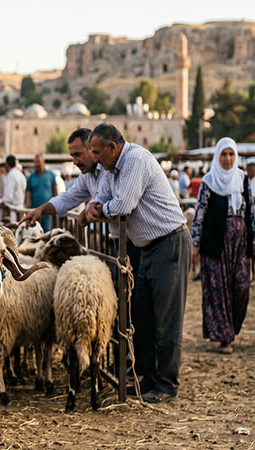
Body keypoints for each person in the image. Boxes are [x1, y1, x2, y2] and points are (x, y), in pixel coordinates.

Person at [85, 123, 190, 403]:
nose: (95, 157)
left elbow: (123, 205)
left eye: (97, 151)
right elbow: (103, 196)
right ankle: (148, 376)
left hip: (169, 242)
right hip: (147, 247)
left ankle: (167, 383)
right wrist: (95, 205)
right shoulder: (111, 169)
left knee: (166, 318)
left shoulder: (136, 160)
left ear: (112, 147)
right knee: (143, 315)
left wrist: (99, 211)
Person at [190, 138, 254, 354]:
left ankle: (232, 328)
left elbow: (251, 214)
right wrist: (195, 245)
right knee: (219, 291)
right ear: (217, 157)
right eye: (223, 155)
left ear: (236, 157)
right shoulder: (209, 182)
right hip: (215, 245)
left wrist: (253, 242)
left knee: (241, 288)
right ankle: (225, 336)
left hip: (240, 243)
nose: (227, 159)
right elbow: (199, 215)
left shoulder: (243, 180)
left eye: (231, 154)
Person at [23, 129, 101, 227]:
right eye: (72, 156)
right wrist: (40, 210)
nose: (75, 162)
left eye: (78, 154)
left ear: (92, 149)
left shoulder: (108, 169)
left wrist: (91, 208)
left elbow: (117, 201)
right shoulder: (87, 176)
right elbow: (68, 198)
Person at [25, 154, 57, 231]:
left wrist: (56, 207)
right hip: (34, 211)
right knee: (35, 233)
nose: (36, 164)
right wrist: (26, 211)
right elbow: (27, 195)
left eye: (38, 162)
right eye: (35, 162)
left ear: (43, 162)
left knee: (47, 232)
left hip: (47, 211)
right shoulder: (31, 177)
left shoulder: (50, 175)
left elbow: (55, 192)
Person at [1, 155, 26, 222]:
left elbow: (8, 197)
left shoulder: (11, 175)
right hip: (21, 208)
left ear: (7, 164)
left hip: (14, 211)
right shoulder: (21, 175)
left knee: (13, 230)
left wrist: (0, 200)